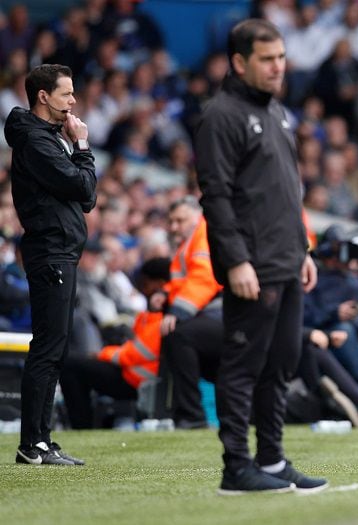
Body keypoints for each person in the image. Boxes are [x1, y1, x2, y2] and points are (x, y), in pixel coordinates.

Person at [195, 19, 326, 494]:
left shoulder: (277, 113)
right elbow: (217, 196)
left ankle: (271, 460)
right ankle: (236, 466)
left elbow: (286, 191)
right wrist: (235, 261)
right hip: (252, 263)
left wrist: (303, 248)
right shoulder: (221, 115)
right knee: (243, 365)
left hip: (287, 259)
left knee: (282, 363)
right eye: (267, 59)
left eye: (282, 58)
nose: (278, 67)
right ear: (239, 62)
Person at [4, 64, 96, 465]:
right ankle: (33, 444)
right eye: (66, 94)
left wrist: (76, 155)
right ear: (44, 96)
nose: (73, 101)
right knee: (47, 348)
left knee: (54, 347)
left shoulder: (48, 138)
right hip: (50, 251)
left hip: (60, 250)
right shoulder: (36, 142)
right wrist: (83, 148)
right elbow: (83, 186)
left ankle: (41, 440)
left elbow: (86, 198)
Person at [60, 257, 170, 429]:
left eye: (146, 284)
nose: (143, 289)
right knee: (74, 363)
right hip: (135, 374)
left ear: (160, 283)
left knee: (70, 365)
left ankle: (82, 427)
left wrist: (103, 354)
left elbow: (137, 353)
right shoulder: (157, 312)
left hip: (136, 379)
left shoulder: (162, 314)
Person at [158, 196, 223, 429]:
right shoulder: (189, 242)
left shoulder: (203, 234)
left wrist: (176, 311)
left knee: (179, 335)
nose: (174, 226)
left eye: (180, 220)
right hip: (211, 313)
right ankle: (189, 413)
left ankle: (192, 416)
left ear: (197, 217)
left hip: (221, 312)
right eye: (171, 221)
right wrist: (165, 294)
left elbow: (204, 279)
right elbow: (184, 282)